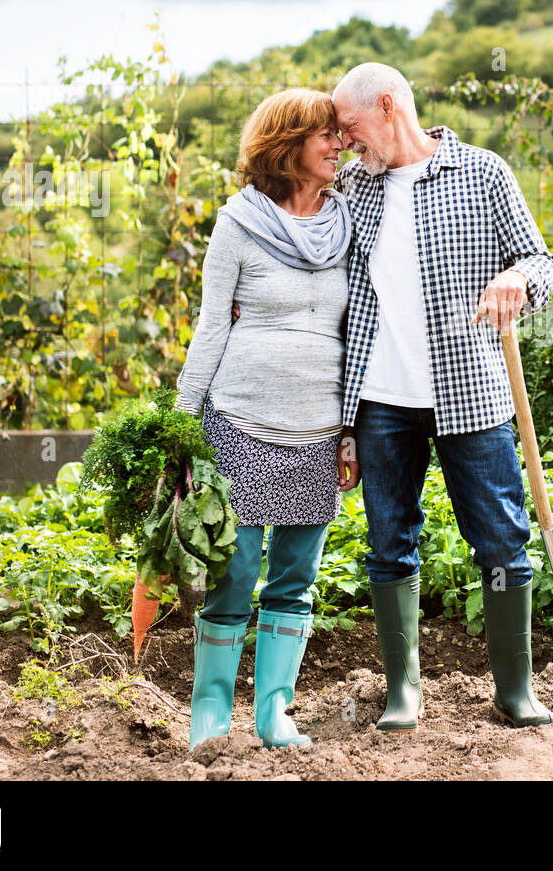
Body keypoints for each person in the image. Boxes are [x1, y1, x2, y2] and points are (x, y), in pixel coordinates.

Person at [331, 62, 553, 731]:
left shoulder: (483, 174)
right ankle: (404, 692)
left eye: (351, 126)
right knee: (387, 542)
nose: (346, 142)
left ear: (387, 105)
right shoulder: (352, 187)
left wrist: (518, 278)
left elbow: (542, 260)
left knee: (500, 541)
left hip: (472, 395)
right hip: (380, 401)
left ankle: (513, 692)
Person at [175, 88, 359, 751]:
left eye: (340, 136)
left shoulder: (346, 221)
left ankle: (274, 711)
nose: (339, 146)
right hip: (240, 418)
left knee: (295, 577)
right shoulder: (238, 222)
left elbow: (360, 327)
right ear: (290, 144)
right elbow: (209, 326)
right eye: (326, 136)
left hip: (318, 428)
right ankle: (210, 712)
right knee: (234, 570)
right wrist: (182, 425)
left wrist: (354, 428)